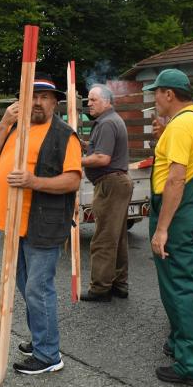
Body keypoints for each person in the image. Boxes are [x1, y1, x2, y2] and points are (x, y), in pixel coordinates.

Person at [0, 73, 82, 375]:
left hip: (44, 224)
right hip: (15, 224)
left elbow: (72, 180)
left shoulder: (64, 135)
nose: (37, 102)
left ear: (54, 103)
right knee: (27, 288)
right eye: (32, 96)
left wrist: (32, 181)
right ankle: (41, 339)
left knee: (38, 289)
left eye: (43, 97)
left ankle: (49, 356)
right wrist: (3, 123)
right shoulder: (15, 128)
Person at [143, 68, 193, 387]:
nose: (153, 99)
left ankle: (191, 365)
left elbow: (176, 178)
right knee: (190, 283)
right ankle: (177, 342)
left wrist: (162, 229)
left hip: (178, 213)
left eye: (156, 93)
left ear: (169, 94)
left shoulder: (179, 126)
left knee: (179, 288)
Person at [80, 84, 133, 302]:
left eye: (93, 100)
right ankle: (119, 284)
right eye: (88, 100)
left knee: (103, 238)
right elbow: (99, 150)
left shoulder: (107, 123)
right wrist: (84, 145)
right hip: (117, 183)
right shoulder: (110, 121)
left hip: (110, 184)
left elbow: (102, 158)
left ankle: (100, 288)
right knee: (117, 237)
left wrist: (76, 160)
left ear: (107, 101)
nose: (89, 103)